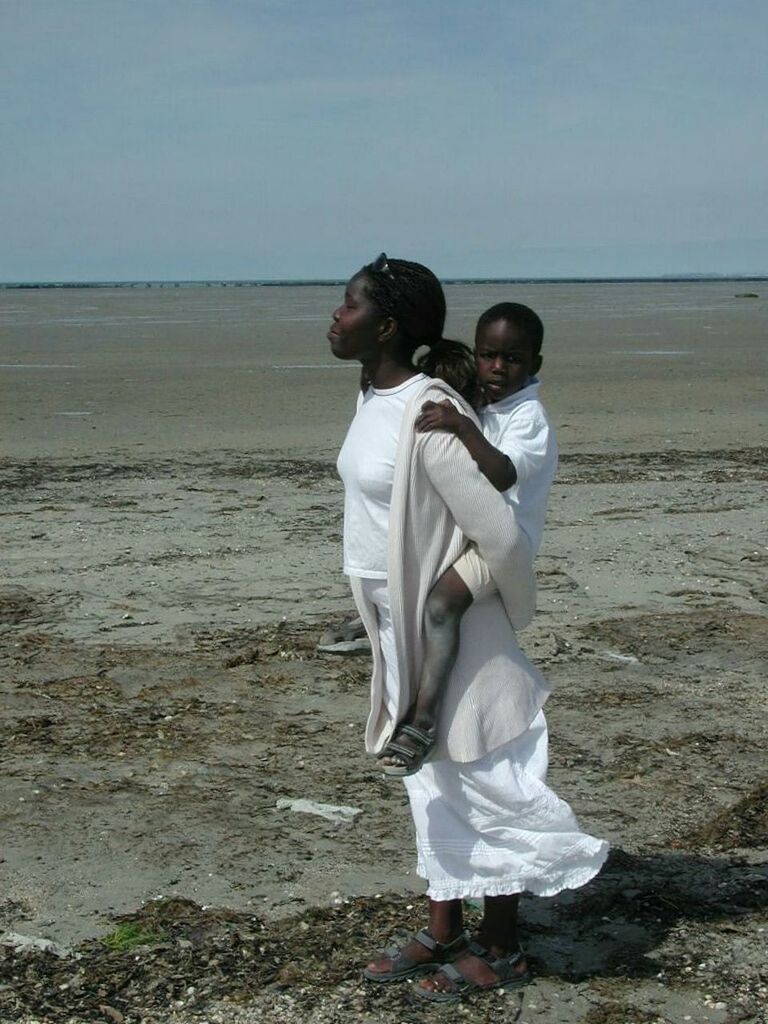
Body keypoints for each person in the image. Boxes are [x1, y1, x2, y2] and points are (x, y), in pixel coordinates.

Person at [330, 253, 607, 1002]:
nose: (334, 314)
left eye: (348, 304)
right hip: (402, 627)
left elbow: (504, 535)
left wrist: (510, 607)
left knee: (489, 781)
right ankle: (444, 925)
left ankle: (503, 945)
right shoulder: (378, 394)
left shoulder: (433, 415)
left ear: (386, 324)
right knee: (428, 782)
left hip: (459, 624)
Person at [378, 302, 557, 776]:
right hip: (471, 528)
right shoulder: (483, 401)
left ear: (535, 364)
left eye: (512, 359)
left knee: (441, 604)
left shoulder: (529, 418)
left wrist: (459, 426)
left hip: (503, 540)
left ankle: (424, 717)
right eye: (487, 355)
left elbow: (500, 475)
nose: (497, 368)